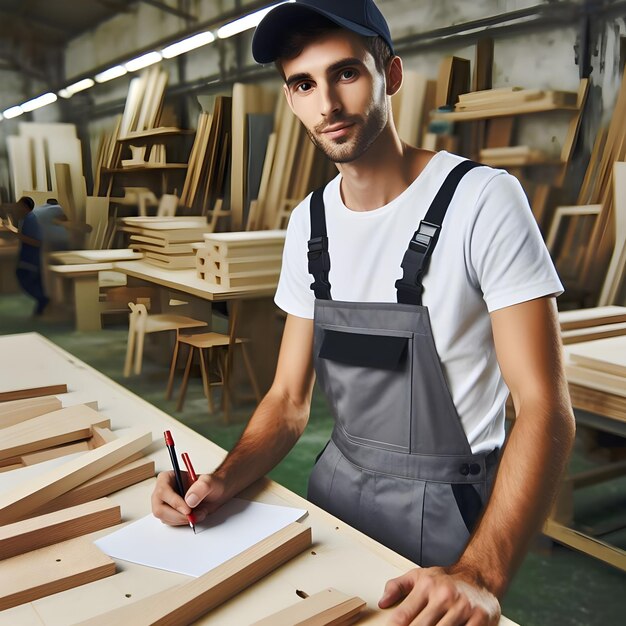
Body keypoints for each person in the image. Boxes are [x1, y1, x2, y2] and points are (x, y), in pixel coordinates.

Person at [152, 1, 576, 623]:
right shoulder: (309, 223)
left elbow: (545, 408)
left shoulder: (482, 201)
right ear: (291, 99)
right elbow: (289, 400)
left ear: (391, 75)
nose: (327, 104)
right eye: (303, 83)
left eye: (346, 73)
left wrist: (480, 573)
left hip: (448, 514)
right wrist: (222, 478)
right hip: (335, 497)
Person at [1, 195, 49, 315]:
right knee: (34, 281)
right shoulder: (25, 219)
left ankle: (43, 301)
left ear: (24, 206)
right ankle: (42, 306)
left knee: (25, 277)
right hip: (27, 257)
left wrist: (18, 236)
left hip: (32, 258)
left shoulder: (31, 219)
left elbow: (37, 241)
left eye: (19, 205)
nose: (16, 208)